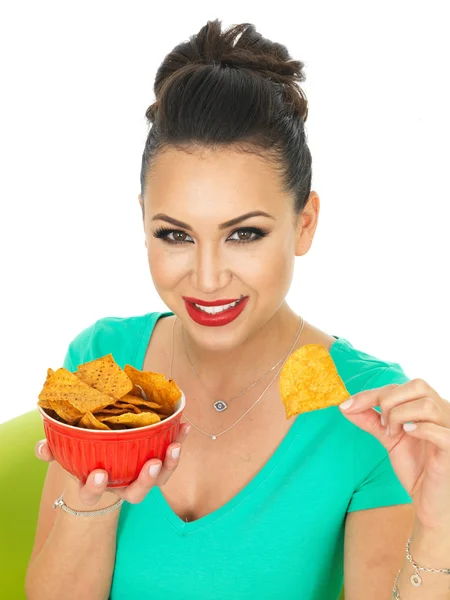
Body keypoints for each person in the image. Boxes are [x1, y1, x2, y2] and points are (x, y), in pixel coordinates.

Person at [25, 19, 450, 600]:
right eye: (175, 235)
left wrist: (439, 535)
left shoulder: (369, 415)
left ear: (304, 226)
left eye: (244, 234)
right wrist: (88, 501)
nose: (206, 278)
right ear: (143, 223)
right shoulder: (103, 361)